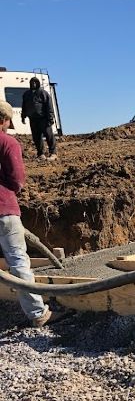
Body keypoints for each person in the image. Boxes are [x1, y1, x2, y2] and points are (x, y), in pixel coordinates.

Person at [0, 100, 52, 326]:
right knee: (18, 261)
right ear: (3, 120)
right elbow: (17, 180)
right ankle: (38, 313)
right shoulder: (8, 143)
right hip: (4, 210)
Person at [21, 77, 56, 161]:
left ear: (38, 83)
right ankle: (40, 154)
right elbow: (24, 106)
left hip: (43, 118)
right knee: (36, 137)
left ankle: (53, 153)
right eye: (32, 82)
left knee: (49, 136)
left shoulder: (43, 93)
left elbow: (49, 106)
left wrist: (50, 118)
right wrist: (23, 116)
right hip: (33, 119)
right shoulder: (26, 94)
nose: (33, 84)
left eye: (35, 82)